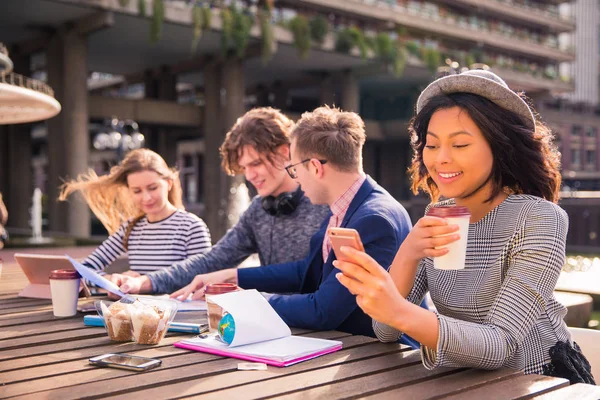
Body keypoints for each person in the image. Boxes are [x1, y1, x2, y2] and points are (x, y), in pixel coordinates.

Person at [334, 69, 596, 384]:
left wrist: (398, 310)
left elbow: (500, 346)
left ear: (500, 148)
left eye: (459, 145)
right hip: (460, 380)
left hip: (541, 382)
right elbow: (386, 330)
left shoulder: (539, 218)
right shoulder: (439, 215)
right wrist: (408, 252)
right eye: (431, 145)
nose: (441, 159)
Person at [166, 106, 413, 338]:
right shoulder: (348, 206)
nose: (295, 178)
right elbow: (305, 271)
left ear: (315, 168)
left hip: (379, 361)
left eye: (294, 169)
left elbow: (323, 311)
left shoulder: (372, 219)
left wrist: (247, 301)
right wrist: (234, 277)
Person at [112, 107, 330, 295]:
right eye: (244, 168)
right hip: (278, 324)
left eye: (255, 164)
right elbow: (212, 260)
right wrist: (145, 282)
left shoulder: (324, 203)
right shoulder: (258, 210)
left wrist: (235, 277)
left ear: (284, 152)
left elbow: (315, 272)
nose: (250, 175)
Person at [59, 148, 212, 277]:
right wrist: (114, 280)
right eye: (137, 191)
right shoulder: (131, 228)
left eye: (153, 188)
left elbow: (203, 281)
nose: (146, 197)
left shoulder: (192, 227)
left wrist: (142, 284)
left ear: (168, 184)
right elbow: (85, 268)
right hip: (135, 311)